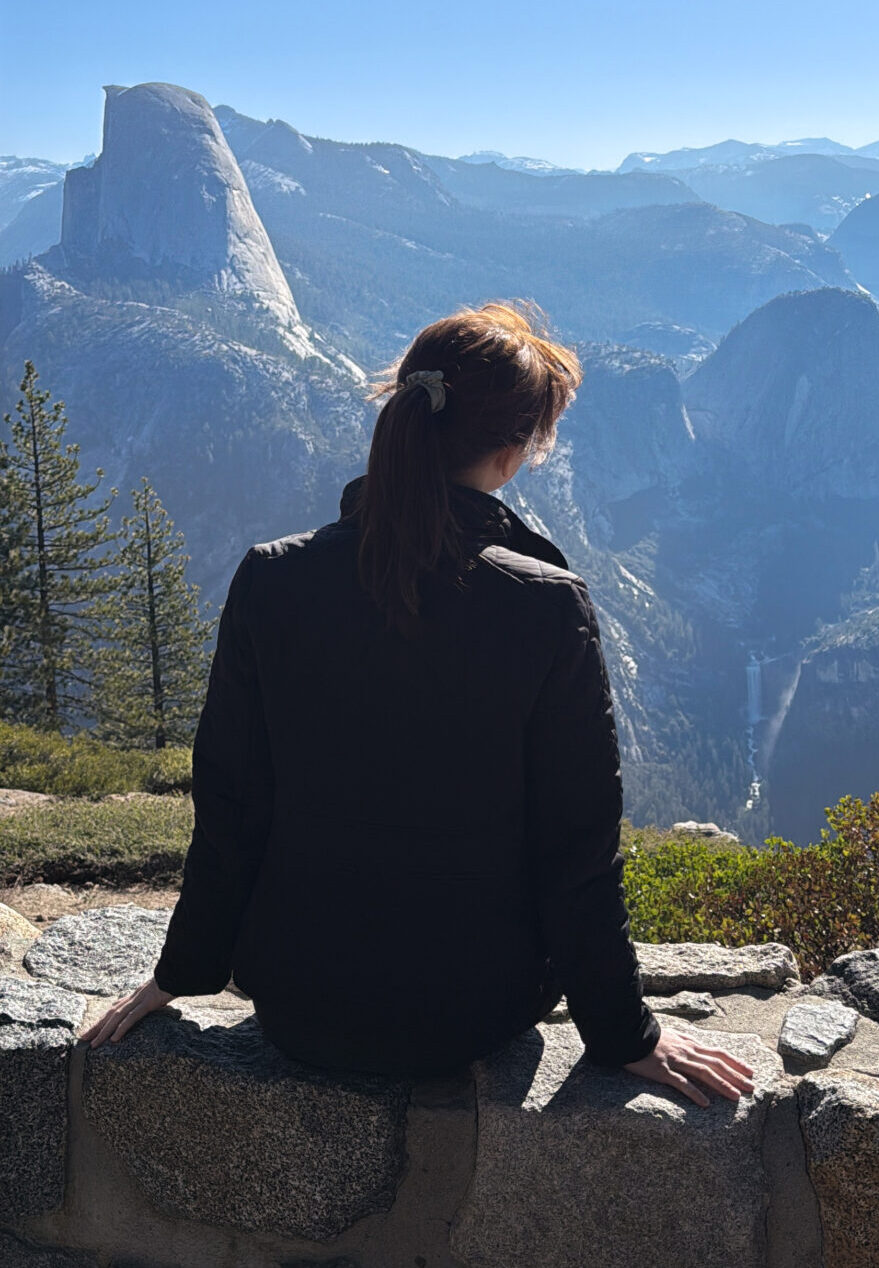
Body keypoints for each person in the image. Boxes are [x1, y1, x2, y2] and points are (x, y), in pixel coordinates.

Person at [80, 302, 754, 1107]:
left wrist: (179, 974)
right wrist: (624, 1034)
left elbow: (231, 805)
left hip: (301, 1007)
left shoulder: (271, 578)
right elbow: (576, 850)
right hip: (468, 1014)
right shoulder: (542, 606)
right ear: (511, 455)